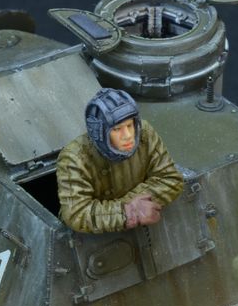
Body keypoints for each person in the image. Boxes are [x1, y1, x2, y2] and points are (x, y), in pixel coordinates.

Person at [56, 88, 184, 233]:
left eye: (130, 125)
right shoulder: (75, 158)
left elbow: (171, 179)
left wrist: (133, 207)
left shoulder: (144, 133)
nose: (128, 135)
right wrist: (127, 211)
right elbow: (76, 214)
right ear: (99, 132)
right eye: (117, 129)